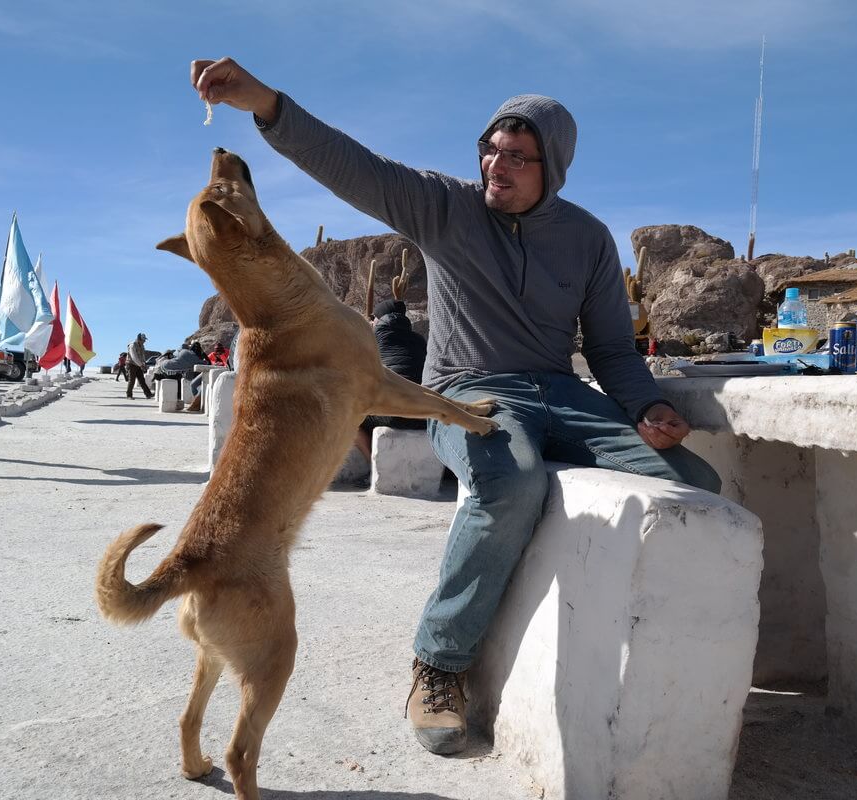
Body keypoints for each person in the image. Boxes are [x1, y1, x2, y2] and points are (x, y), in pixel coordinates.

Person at [192, 57, 721, 756]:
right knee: (511, 480)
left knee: (696, 486)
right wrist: (261, 102)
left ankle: (680, 669)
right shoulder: (444, 208)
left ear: (552, 168)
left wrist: (648, 404)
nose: (496, 167)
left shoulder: (588, 239)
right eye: (490, 151)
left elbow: (614, 351)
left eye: (517, 158)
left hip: (563, 392)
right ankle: (438, 666)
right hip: (469, 391)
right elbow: (353, 165)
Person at [354, 298, 427, 460]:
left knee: (351, 419)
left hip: (394, 413)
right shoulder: (419, 340)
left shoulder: (373, 339)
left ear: (379, 319)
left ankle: (371, 463)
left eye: (374, 318)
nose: (371, 321)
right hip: (424, 412)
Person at [126, 333, 153, 399]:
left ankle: (148, 394)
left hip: (139, 364)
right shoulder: (132, 345)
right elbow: (134, 356)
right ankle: (129, 395)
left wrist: (143, 363)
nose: (144, 341)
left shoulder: (142, 345)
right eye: (143, 340)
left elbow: (142, 355)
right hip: (131, 364)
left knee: (142, 380)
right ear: (139, 339)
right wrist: (141, 365)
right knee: (132, 380)